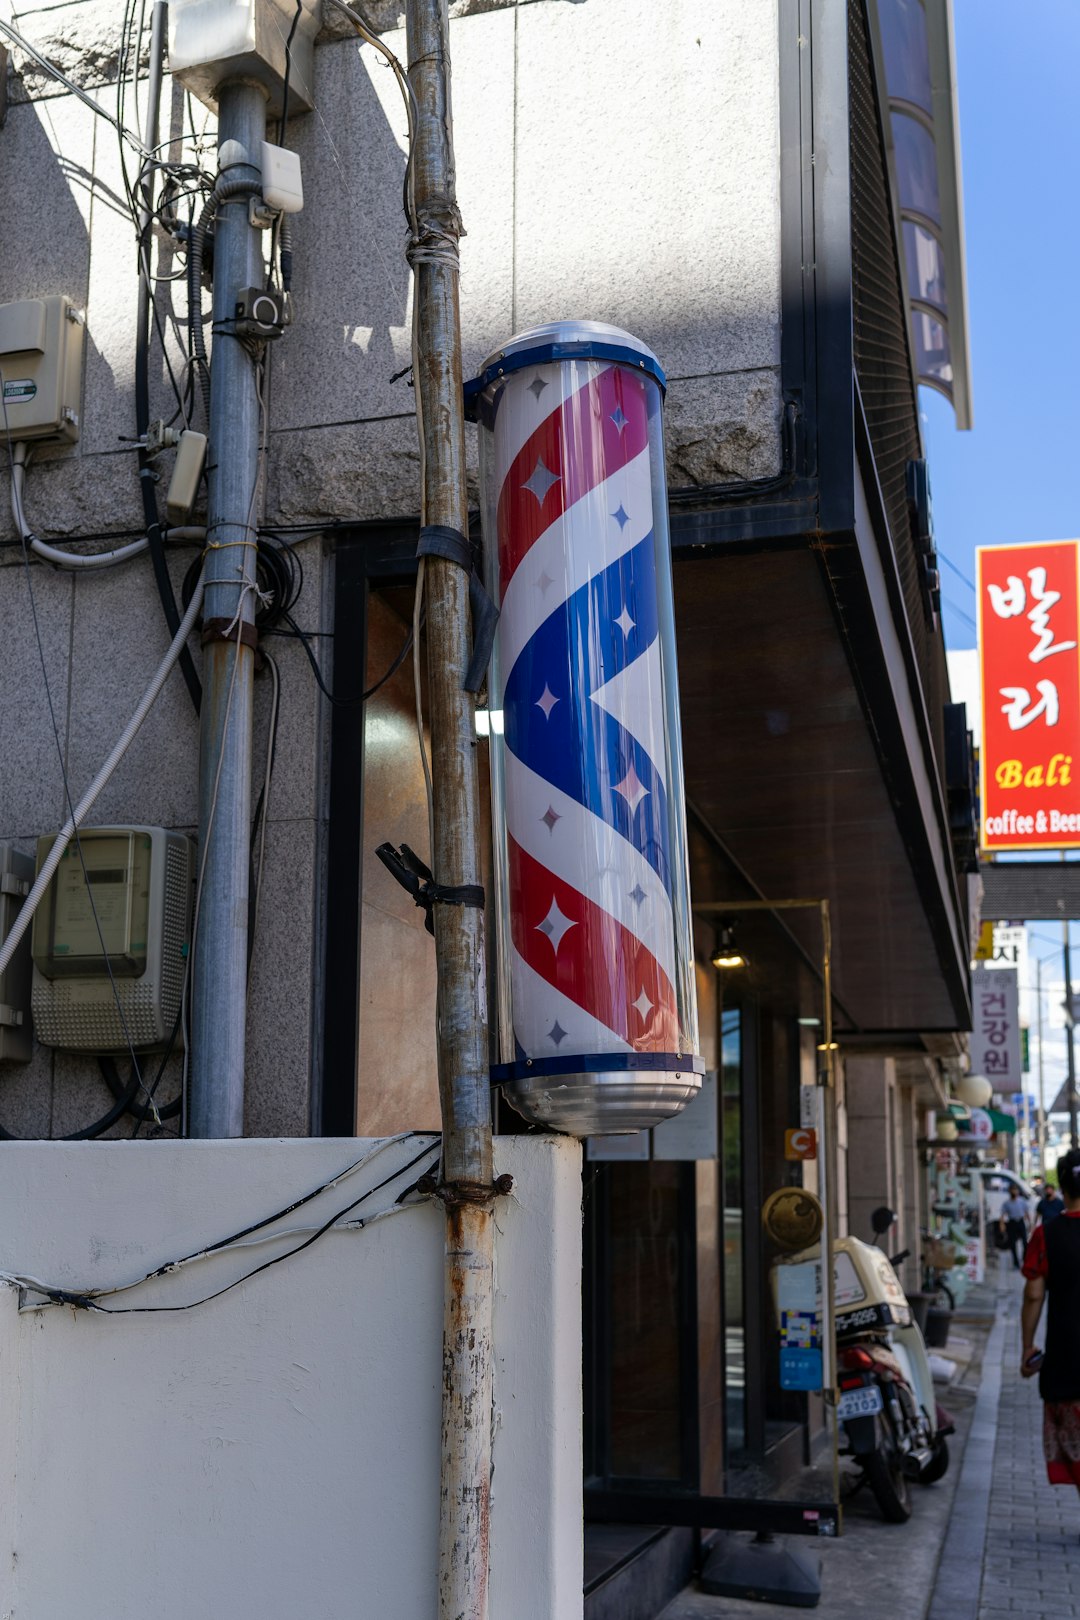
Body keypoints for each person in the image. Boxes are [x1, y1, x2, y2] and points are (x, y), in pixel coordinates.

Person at [1021, 1149, 1080, 1497]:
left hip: (1067, 1358)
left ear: (1062, 1185)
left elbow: (1033, 1295)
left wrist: (1027, 1346)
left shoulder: (1047, 1234)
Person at [1000, 1185, 1031, 1269]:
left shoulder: (1022, 1201)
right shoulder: (1006, 1203)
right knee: (1012, 1243)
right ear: (1010, 1192)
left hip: (1020, 1222)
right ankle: (1016, 1263)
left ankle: (1025, 1260)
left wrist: (1030, 1223)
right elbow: (1002, 1215)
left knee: (1025, 1242)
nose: (1014, 1192)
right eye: (1012, 1190)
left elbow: (1026, 1213)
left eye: (1015, 1190)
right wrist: (1002, 1225)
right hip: (1012, 1223)